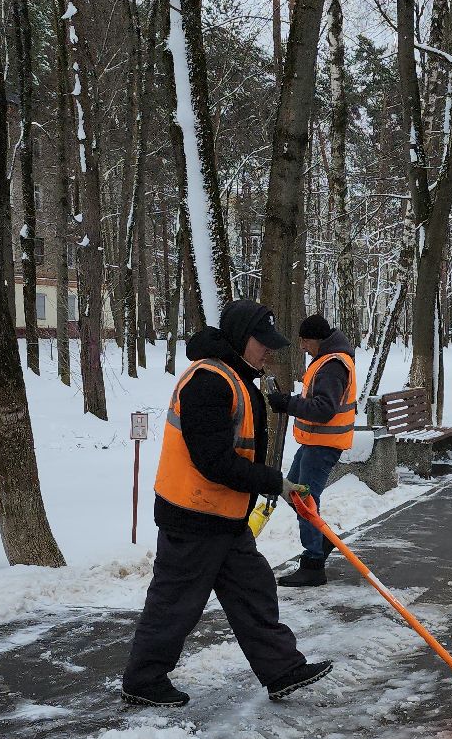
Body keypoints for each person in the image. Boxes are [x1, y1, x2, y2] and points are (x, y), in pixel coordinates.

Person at [122, 300, 334, 707]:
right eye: (262, 342)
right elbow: (214, 462)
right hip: (192, 516)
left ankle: (282, 669)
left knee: (254, 589)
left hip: (224, 515)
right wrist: (278, 483)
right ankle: (143, 680)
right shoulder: (209, 382)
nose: (268, 350)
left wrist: (273, 487)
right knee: (175, 605)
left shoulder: (236, 377)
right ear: (239, 339)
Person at [270, 314, 357, 588]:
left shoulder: (332, 366)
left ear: (316, 340)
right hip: (314, 443)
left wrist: (288, 404)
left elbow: (323, 409)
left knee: (305, 499)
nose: (302, 347)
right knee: (292, 492)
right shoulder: (327, 361)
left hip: (324, 445)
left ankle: (313, 564)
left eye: (305, 342)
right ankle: (322, 542)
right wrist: (289, 402)